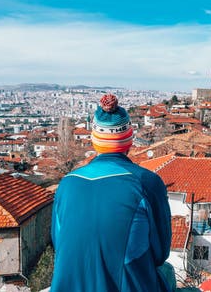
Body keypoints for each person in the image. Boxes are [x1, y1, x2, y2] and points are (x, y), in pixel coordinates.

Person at [51, 94, 172, 291]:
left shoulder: (67, 184)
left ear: (94, 141)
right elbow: (160, 253)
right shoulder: (146, 183)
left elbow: (60, 245)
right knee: (167, 272)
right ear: (129, 140)